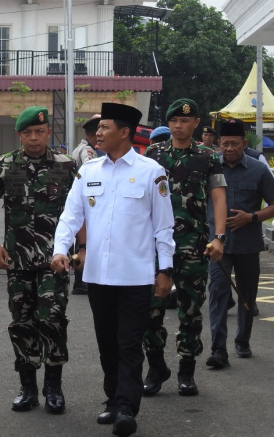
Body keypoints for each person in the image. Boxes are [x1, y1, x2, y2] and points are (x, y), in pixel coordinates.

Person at [51, 102, 175, 437]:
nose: (98, 133)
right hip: (97, 276)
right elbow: (71, 216)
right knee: (107, 343)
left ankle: (126, 408)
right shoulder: (89, 171)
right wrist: (60, 249)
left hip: (135, 276)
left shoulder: (151, 172)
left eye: (105, 127)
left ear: (124, 132)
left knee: (129, 343)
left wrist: (165, 270)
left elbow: (164, 227)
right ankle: (112, 397)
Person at [0, 106, 80, 415]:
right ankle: (27, 387)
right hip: (18, 259)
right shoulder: (3, 166)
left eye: (39, 131)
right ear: (19, 135)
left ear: (49, 131)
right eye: (27, 132)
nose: (34, 137)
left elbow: (79, 209)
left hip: (55, 259)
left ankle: (54, 386)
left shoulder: (67, 165)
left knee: (52, 318)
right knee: (22, 321)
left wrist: (83, 248)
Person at [142, 98, 227, 397]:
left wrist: (219, 237)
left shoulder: (208, 156)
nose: (178, 126)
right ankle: (156, 367)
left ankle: (186, 371)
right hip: (155, 246)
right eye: (174, 121)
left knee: (190, 309)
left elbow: (218, 196)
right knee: (150, 308)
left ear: (196, 124)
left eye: (184, 121)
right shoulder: (153, 154)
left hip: (194, 245)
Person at [206, 119, 274, 369]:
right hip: (218, 244)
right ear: (219, 143)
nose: (229, 149)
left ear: (244, 143)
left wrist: (252, 217)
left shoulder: (258, 170)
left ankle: (243, 340)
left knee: (247, 294)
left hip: (249, 243)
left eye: (235, 144)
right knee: (218, 293)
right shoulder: (209, 168)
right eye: (225, 144)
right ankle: (218, 349)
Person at [69, 113, 103, 295]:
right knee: (84, 242)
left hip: (79, 199)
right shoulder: (87, 151)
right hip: (85, 200)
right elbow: (91, 174)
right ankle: (80, 281)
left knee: (81, 240)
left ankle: (80, 280)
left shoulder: (80, 147)